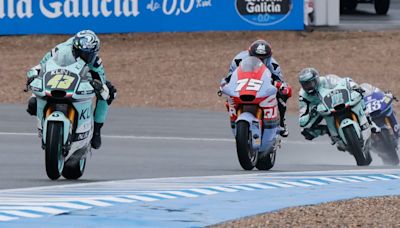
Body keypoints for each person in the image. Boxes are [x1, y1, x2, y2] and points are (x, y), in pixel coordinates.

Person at [25, 30, 117, 149]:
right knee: (32, 103)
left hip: (84, 77)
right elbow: (41, 66)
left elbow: (102, 80)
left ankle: (97, 131)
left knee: (109, 93)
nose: (86, 57)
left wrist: (99, 86)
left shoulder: (95, 62)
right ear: (74, 49)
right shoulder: (60, 50)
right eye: (82, 53)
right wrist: (33, 75)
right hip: (57, 78)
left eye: (89, 54)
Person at [220, 39, 292, 137]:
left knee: (281, 95)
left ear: (269, 57)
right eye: (255, 57)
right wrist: (224, 84)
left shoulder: (273, 65)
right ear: (249, 55)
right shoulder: (238, 60)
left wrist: (282, 87)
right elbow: (230, 76)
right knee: (229, 97)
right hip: (244, 83)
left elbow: (280, 82)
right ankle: (235, 118)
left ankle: (282, 122)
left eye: (263, 59)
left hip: (263, 84)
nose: (259, 61)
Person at [298, 67, 380, 144]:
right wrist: (310, 114)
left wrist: (355, 87)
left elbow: (344, 82)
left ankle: (369, 121)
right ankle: (328, 131)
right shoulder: (303, 96)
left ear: (316, 80)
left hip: (335, 102)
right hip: (320, 109)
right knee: (305, 131)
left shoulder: (326, 81)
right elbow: (302, 121)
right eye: (305, 85)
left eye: (310, 83)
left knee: (359, 95)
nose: (308, 87)